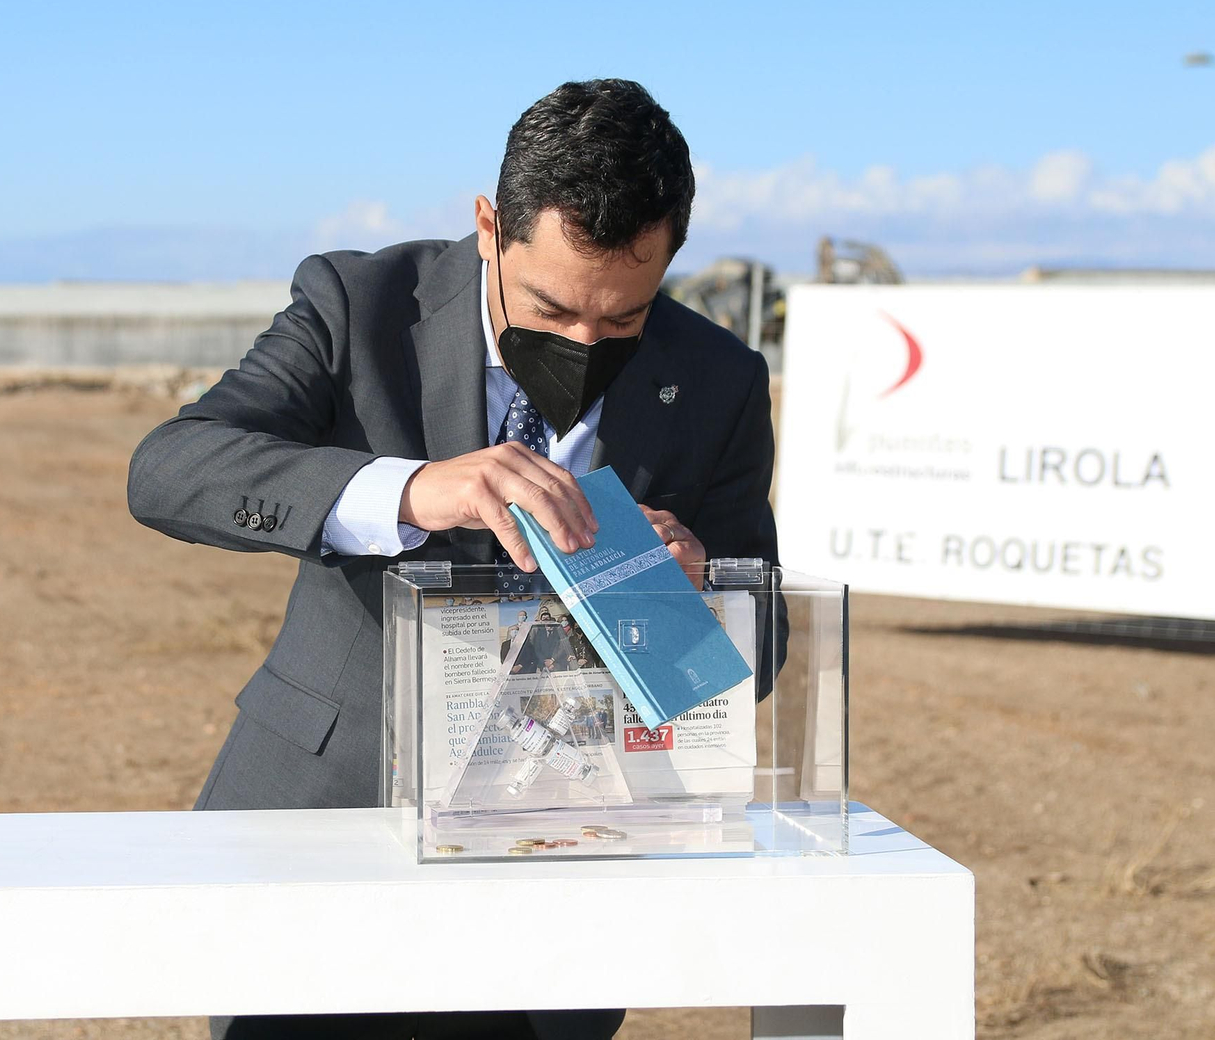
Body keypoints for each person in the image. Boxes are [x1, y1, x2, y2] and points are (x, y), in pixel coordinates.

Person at [127, 78, 780, 1040]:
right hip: (324, 827)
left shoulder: (720, 378)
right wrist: (404, 489)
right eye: (552, 309)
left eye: (623, 321)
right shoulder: (358, 304)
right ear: (489, 225)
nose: (584, 343)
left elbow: (759, 656)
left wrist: (695, 599)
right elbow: (170, 470)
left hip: (565, 876)